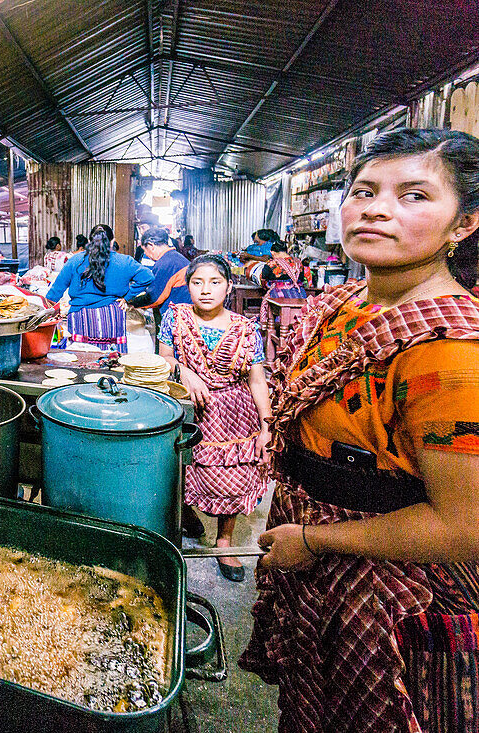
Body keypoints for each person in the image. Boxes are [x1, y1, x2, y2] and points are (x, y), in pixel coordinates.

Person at [242, 128, 479, 733]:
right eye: (364, 190)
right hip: (321, 573)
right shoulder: (351, 306)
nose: (377, 207)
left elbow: (463, 529)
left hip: (390, 594)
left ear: (465, 224)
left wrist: (317, 542)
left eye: (414, 195)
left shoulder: (450, 355)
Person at [159, 254, 271, 582]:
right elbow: (164, 357)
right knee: (181, 470)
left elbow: (257, 378)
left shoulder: (246, 329)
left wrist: (267, 426)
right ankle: (185, 516)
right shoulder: (174, 317)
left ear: (228, 286)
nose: (205, 290)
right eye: (197, 282)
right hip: (190, 407)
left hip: (236, 413)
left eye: (215, 282)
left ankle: (225, 540)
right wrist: (184, 371)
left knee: (234, 478)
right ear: (187, 286)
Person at [46, 224, 153, 349]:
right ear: (112, 241)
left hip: (81, 318)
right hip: (112, 318)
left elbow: (55, 292)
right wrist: (127, 297)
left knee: (81, 362)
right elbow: (147, 277)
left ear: (90, 241)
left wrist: (46, 313)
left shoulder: (75, 260)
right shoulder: (125, 261)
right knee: (112, 362)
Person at [131, 227, 192, 316]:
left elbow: (154, 298)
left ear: (151, 245)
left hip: (180, 316)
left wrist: (131, 303)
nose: (146, 255)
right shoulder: (176, 257)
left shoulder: (166, 263)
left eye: (145, 251)